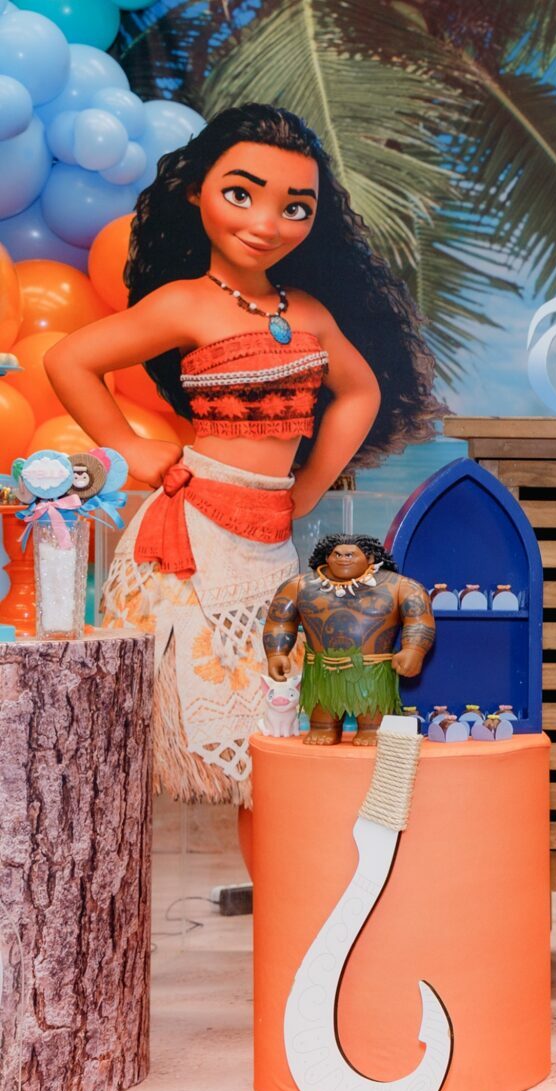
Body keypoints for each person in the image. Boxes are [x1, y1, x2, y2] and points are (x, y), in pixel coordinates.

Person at [45, 104, 439, 810]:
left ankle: (281, 871)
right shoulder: (185, 304)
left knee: (276, 742)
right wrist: (129, 447)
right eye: (240, 194)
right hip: (191, 542)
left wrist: (310, 483)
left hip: (267, 539)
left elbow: (361, 392)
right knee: (187, 728)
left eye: (295, 207)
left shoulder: (307, 311)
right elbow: (69, 358)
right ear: (197, 190)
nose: (266, 223)